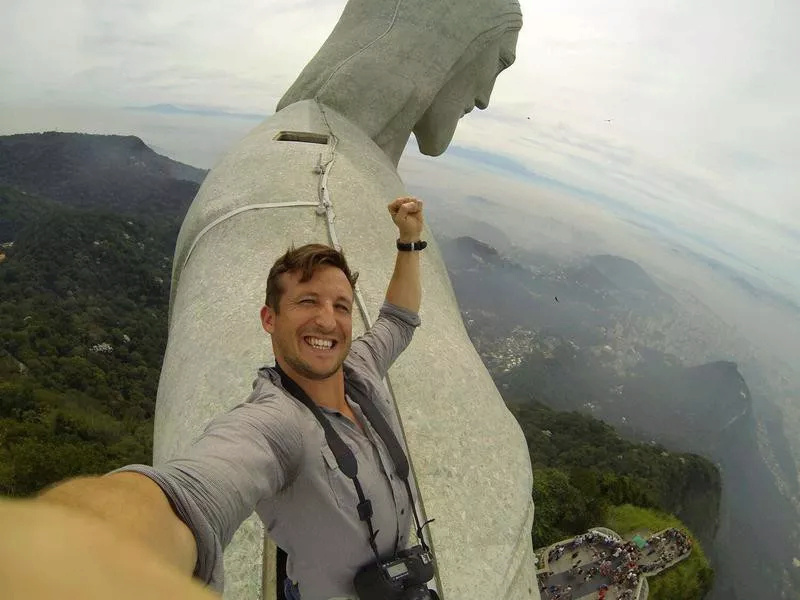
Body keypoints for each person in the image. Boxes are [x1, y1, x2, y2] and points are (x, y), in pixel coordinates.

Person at [0, 196, 426, 600]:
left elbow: (398, 320)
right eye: (307, 301)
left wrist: (409, 240)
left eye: (341, 306)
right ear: (269, 318)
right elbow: (189, 495)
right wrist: (80, 551)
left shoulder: (361, 368)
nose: (327, 320)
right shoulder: (277, 423)